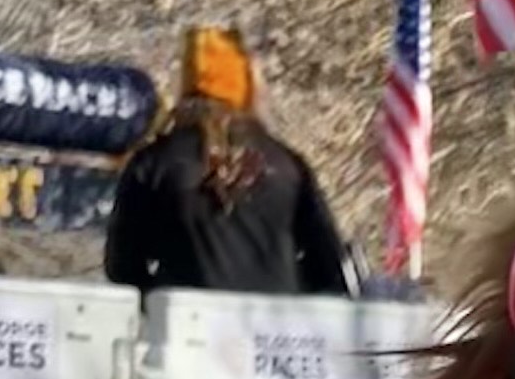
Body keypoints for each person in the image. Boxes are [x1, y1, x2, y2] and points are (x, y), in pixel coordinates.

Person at [103, 25, 356, 297]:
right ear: (245, 86)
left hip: (186, 326)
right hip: (275, 329)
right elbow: (331, 264)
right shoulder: (289, 165)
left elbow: (122, 266)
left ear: (187, 85)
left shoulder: (153, 163)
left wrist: (163, 291)